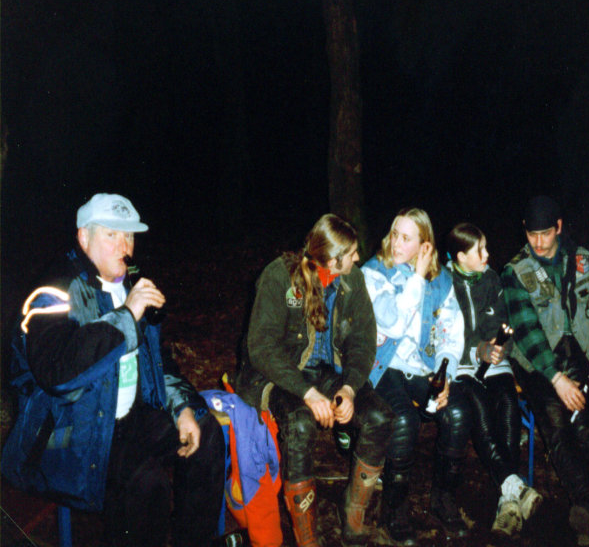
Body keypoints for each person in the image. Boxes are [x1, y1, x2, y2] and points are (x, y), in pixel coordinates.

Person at [1, 193, 225, 547]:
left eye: (129, 235)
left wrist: (182, 407)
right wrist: (126, 317)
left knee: (207, 434)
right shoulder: (53, 293)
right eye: (112, 234)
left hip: (128, 419)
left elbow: (156, 359)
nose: (125, 247)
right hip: (72, 430)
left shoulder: (129, 287)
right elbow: (58, 374)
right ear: (84, 237)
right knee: (147, 483)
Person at [235, 213, 393, 547]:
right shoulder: (279, 276)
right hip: (283, 375)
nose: (358, 258)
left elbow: (364, 341)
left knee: (379, 417)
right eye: (352, 253)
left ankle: (353, 518)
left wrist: (349, 388)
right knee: (300, 424)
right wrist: (307, 392)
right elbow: (261, 348)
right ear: (333, 259)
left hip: (330, 373)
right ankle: (306, 536)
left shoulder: (353, 280)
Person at [501, 195, 589, 546]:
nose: (539, 242)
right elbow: (527, 334)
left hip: (577, 355)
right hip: (535, 364)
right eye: (532, 234)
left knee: (583, 424)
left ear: (559, 227)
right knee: (557, 423)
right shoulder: (515, 271)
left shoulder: (582, 261)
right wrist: (557, 379)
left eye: (546, 233)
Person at [362, 208, 470, 545]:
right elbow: (393, 323)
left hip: (421, 367)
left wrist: (445, 374)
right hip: (382, 366)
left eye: (406, 238)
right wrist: (417, 277)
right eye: (395, 234)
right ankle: (394, 508)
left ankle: (443, 499)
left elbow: (452, 333)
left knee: (456, 412)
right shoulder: (374, 273)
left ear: (425, 246)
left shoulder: (442, 281)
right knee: (404, 419)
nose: (396, 243)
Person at [446, 223, 543, 537]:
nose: (488, 254)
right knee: (480, 408)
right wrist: (478, 349)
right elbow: (446, 334)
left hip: (494, 362)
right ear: (461, 256)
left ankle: (508, 500)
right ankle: (514, 488)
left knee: (508, 401)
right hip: (461, 364)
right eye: (479, 250)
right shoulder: (444, 283)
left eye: (486, 246)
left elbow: (504, 322)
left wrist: (502, 348)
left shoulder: (491, 279)